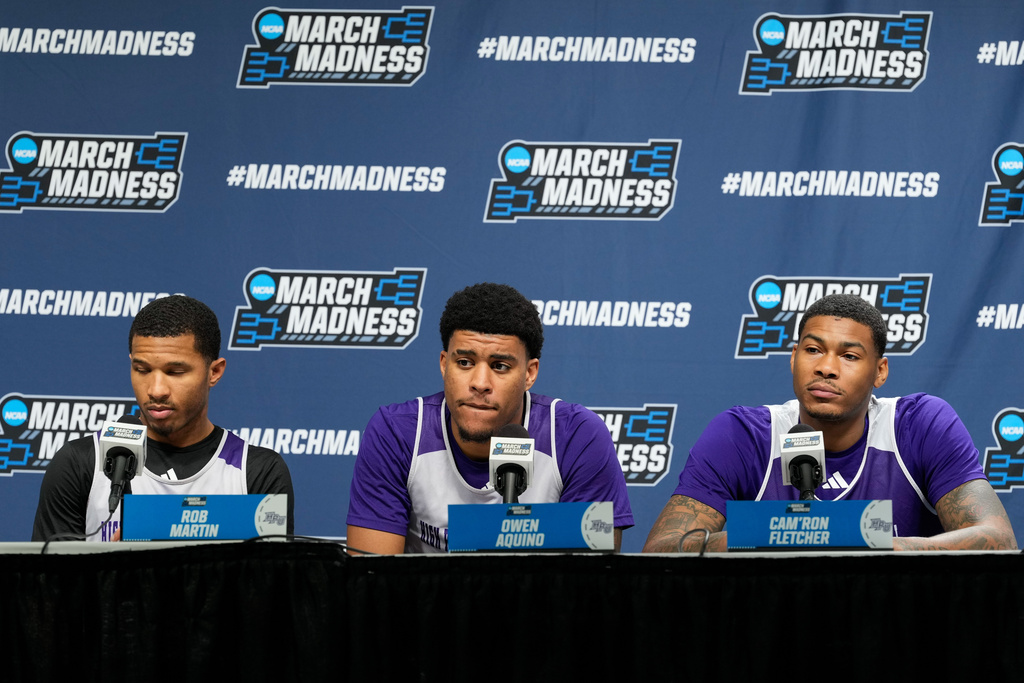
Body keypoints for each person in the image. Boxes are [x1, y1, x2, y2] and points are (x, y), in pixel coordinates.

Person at [643, 293, 1016, 553]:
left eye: (850, 355)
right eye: (813, 349)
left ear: (880, 371)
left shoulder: (918, 424)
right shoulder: (742, 434)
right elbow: (662, 549)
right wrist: (773, 534)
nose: (826, 367)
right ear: (793, 358)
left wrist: (870, 542)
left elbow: (997, 539)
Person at [346, 282, 633, 553]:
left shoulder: (577, 437)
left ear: (529, 373)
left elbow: (590, 587)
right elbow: (372, 586)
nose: (480, 382)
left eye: (500, 366)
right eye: (465, 362)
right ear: (445, 365)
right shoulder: (396, 433)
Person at [32, 295, 294, 542]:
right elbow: (47, 585)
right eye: (142, 369)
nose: (156, 390)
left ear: (214, 371)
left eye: (175, 371)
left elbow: (272, 586)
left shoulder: (257, 471)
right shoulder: (79, 464)